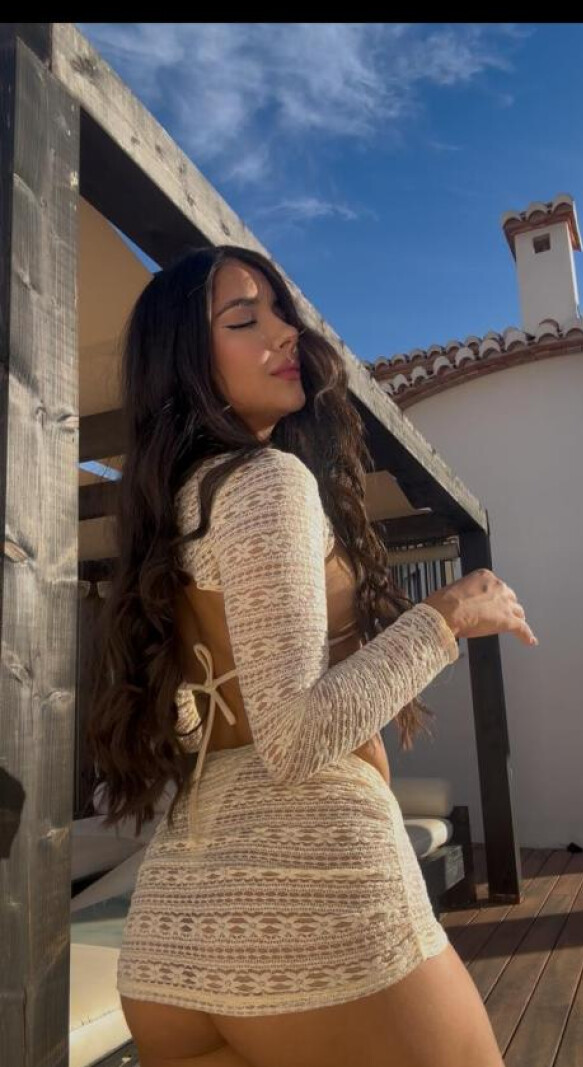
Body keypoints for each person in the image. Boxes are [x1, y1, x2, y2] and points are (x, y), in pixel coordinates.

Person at [86, 245, 538, 1067]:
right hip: (315, 905)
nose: (283, 332)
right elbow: (293, 737)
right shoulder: (266, 481)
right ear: (187, 360)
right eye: (243, 319)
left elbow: (208, 722)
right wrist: (447, 615)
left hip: (172, 939)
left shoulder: (174, 512)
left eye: (280, 311)